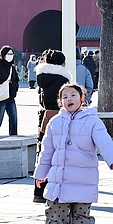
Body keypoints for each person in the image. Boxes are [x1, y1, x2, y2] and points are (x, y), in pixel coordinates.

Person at [34, 83, 113, 224]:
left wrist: (112, 160)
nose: (69, 99)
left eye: (73, 95)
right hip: (59, 179)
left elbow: (104, 142)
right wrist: (40, 174)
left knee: (81, 212)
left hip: (83, 178)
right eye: (64, 97)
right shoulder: (55, 122)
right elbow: (46, 151)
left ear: (82, 98)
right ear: (60, 102)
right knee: (53, 211)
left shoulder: (92, 121)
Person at [34, 51, 73, 203]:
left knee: (43, 154)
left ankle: (39, 191)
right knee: (59, 155)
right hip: (60, 117)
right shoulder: (63, 79)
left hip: (44, 116)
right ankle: (56, 191)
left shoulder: (41, 77)